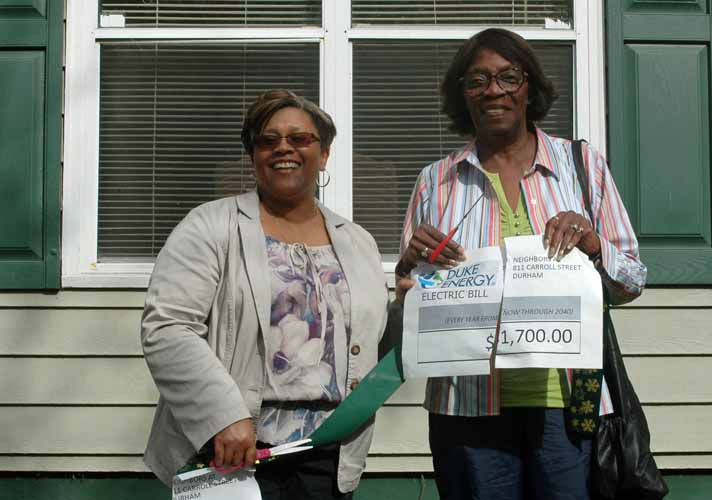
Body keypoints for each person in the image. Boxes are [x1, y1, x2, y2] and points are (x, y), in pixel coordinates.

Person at [394, 29, 647, 500]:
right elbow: (413, 296)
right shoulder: (436, 181)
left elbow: (631, 281)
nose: (494, 90)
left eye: (508, 77)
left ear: (529, 86)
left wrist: (593, 243)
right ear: (461, 94)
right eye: (477, 81)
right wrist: (409, 274)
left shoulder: (582, 166)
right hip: (466, 403)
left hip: (568, 403)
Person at [141, 89, 399, 499]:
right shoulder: (210, 226)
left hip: (326, 454)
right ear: (254, 155)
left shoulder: (357, 242)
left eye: (300, 139)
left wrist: (409, 300)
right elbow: (168, 327)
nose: (284, 148)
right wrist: (222, 415)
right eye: (268, 140)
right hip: (230, 452)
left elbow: (368, 342)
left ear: (324, 153)